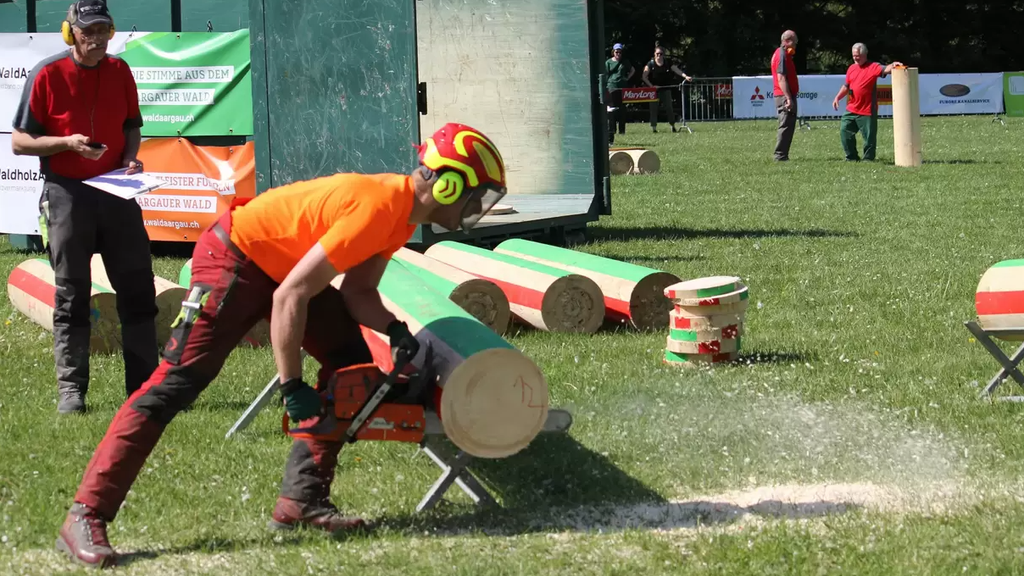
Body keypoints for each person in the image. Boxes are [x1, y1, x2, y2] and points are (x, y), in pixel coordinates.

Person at [54, 122, 509, 569]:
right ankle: (86, 513)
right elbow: (290, 295)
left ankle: (303, 501)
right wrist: (291, 386)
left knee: (348, 364)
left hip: (277, 269)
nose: (477, 208)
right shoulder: (379, 208)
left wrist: (393, 329)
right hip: (235, 255)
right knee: (175, 383)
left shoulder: (399, 215)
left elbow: (357, 293)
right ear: (448, 186)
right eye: (477, 195)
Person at [11, 0, 159, 414]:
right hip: (66, 193)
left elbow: (132, 125)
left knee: (138, 290)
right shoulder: (47, 73)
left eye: (103, 31)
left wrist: (130, 159)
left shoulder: (120, 71)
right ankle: (72, 392)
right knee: (72, 294)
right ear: (69, 32)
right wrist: (66, 143)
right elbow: (19, 142)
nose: (96, 39)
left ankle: (145, 388)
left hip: (116, 191)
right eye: (88, 31)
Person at [832, 43, 903, 161]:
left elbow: (885, 69)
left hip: (867, 110)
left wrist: (893, 64)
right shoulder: (851, 68)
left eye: (858, 56)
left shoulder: (873, 67)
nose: (856, 58)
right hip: (852, 109)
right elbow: (847, 85)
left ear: (865, 54)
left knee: (869, 138)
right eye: (854, 56)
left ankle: (868, 159)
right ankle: (851, 157)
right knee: (845, 131)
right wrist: (837, 97)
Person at [642, 46, 692, 133]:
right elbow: (644, 76)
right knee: (653, 109)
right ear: (654, 54)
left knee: (669, 108)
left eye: (661, 54)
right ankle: (654, 128)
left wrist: (685, 76)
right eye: (657, 54)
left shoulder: (668, 63)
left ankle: (672, 126)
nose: (659, 56)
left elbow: (677, 70)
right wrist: (652, 86)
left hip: (666, 89)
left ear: (663, 55)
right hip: (654, 91)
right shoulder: (650, 64)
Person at [771, 30, 799, 161]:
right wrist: (788, 98)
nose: (795, 46)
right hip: (784, 96)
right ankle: (780, 156)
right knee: (786, 124)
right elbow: (781, 78)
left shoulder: (783, 54)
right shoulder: (781, 55)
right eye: (794, 43)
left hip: (784, 94)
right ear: (787, 41)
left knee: (788, 124)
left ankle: (783, 155)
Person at [605, 43, 635, 144]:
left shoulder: (625, 62)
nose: (618, 53)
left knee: (621, 110)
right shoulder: (608, 62)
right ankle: (611, 132)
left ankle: (622, 130)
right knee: (611, 111)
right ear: (613, 52)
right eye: (616, 52)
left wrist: (627, 78)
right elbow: (605, 75)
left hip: (622, 88)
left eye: (620, 52)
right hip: (611, 87)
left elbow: (632, 70)